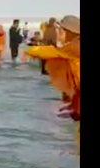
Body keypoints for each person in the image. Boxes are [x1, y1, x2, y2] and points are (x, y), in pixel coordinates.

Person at [28, 15, 80, 148]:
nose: (59, 34)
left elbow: (49, 52)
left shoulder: (74, 47)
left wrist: (30, 50)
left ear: (69, 32)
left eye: (61, 31)